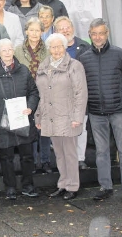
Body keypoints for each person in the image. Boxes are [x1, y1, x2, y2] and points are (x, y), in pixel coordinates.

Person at [78, 19, 122, 203]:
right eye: (94, 33)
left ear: (107, 33)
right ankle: (106, 186)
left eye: (101, 33)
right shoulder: (84, 58)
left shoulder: (120, 54)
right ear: (89, 34)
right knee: (101, 151)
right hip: (96, 113)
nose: (97, 37)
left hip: (119, 111)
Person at [35, 34, 88, 200]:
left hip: (68, 117)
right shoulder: (43, 66)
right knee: (59, 153)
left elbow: (81, 93)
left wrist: (77, 117)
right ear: (49, 48)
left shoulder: (74, 66)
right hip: (51, 117)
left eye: (59, 46)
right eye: (53, 47)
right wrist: (39, 117)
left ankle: (73, 186)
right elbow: (41, 95)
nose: (56, 50)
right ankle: (63, 184)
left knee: (70, 153)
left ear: (65, 47)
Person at [0, 38, 40, 200]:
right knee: (6, 157)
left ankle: (28, 185)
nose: (7, 53)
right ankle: (10, 187)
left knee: (27, 155)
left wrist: (30, 108)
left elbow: (34, 92)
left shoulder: (23, 70)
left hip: (22, 119)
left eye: (10, 49)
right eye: (4, 50)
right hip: (1, 122)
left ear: (13, 51)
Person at [14, 17, 51, 173]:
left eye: (38, 30)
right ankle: (33, 162)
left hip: (45, 93)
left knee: (44, 128)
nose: (35, 33)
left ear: (42, 32)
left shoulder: (48, 50)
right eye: (32, 30)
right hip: (26, 94)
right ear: (26, 31)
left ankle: (45, 161)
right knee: (30, 129)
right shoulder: (17, 50)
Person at [54, 16, 90, 169]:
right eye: (61, 28)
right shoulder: (52, 48)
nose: (65, 30)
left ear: (73, 28)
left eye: (67, 27)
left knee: (80, 128)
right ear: (56, 31)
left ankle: (80, 159)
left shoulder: (85, 46)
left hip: (79, 96)